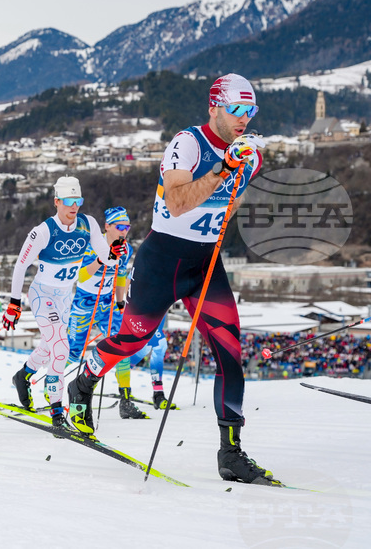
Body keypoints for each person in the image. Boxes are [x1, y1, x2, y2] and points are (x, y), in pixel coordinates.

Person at [68, 73, 273, 485]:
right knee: (133, 339)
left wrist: (223, 209)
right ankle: (83, 382)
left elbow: (232, 201)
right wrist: (221, 170)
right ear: (214, 106)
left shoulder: (248, 154)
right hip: (163, 260)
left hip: (205, 263)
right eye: (236, 109)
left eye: (250, 111)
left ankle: (230, 452)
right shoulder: (188, 143)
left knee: (230, 352)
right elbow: (177, 202)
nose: (243, 118)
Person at [4, 176, 119, 432]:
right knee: (61, 348)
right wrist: (14, 303)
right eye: (68, 201)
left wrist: (114, 253)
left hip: (66, 296)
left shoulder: (88, 224)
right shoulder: (43, 231)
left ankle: (23, 375)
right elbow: (21, 265)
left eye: (78, 200)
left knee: (49, 346)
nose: (74, 206)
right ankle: (57, 410)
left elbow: (105, 258)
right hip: (42, 294)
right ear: (57, 202)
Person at [65, 206, 147, 419]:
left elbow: (120, 276)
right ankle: (53, 393)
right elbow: (81, 276)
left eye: (127, 226)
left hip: (108, 302)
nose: (124, 230)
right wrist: (102, 259)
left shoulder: (126, 248)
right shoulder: (92, 245)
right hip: (85, 302)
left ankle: (126, 401)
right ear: (107, 227)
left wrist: (120, 302)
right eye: (119, 226)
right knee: (74, 352)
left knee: (122, 347)